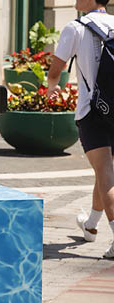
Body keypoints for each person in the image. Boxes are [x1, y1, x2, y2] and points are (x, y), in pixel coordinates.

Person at [46, 0, 114, 258]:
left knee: (106, 172)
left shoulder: (75, 28)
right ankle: (91, 226)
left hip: (93, 111)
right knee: (103, 169)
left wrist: (53, 85)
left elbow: (56, 68)